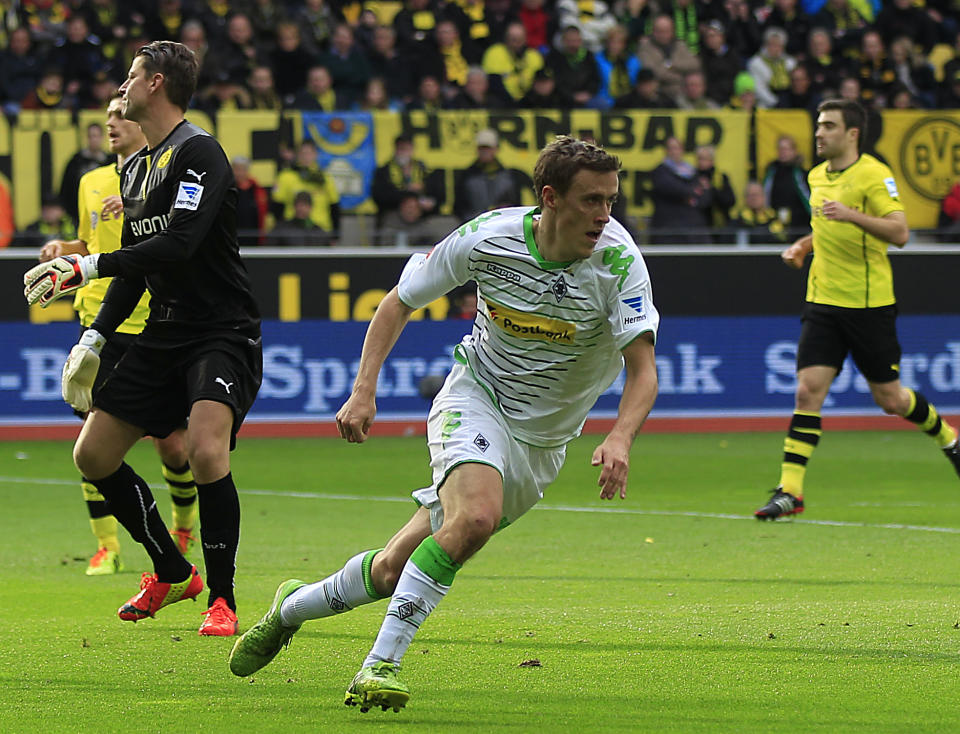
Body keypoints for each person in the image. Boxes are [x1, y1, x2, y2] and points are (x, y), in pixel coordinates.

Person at [228, 136, 660, 714]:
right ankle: (378, 667)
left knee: (391, 568)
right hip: (476, 395)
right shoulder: (488, 238)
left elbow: (643, 371)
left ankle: (290, 608)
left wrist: (620, 435)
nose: (604, 215)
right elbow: (398, 301)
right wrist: (363, 391)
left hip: (544, 444)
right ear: (551, 198)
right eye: (590, 201)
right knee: (474, 517)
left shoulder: (619, 262)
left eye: (611, 200)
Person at [22, 40, 263, 635]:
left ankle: (224, 600)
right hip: (165, 329)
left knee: (206, 450)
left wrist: (84, 267)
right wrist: (96, 338)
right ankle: (172, 571)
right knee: (92, 455)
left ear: (156, 84)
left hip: (221, 330)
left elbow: (177, 243)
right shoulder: (133, 167)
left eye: (130, 76)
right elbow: (137, 264)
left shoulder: (200, 154)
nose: (121, 88)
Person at [754, 99, 960, 521]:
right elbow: (822, 225)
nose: (818, 133)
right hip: (823, 301)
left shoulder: (874, 174)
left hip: (868, 304)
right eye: (818, 124)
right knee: (807, 391)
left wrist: (851, 214)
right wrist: (804, 245)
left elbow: (900, 232)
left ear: (852, 134)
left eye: (828, 125)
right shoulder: (815, 175)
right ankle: (789, 491)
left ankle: (949, 438)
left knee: (891, 399)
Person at [37, 97, 199, 575]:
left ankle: (183, 528)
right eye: (106, 117)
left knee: (172, 445)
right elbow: (94, 245)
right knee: (90, 439)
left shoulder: (166, 171)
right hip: (99, 322)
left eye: (118, 116)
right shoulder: (90, 182)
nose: (110, 124)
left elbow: (181, 234)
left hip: (153, 322)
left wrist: (133, 203)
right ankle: (107, 545)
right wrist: (65, 250)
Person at [272, 138, 341, 242]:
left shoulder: (325, 178)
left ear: (315, 155)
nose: (306, 157)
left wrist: (335, 236)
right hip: (292, 233)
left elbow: (334, 207)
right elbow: (277, 207)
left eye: (309, 153)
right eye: (302, 153)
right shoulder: (286, 176)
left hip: (321, 232)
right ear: (298, 155)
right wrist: (281, 232)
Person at [453, 128, 522, 221]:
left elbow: (516, 206)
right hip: (473, 226)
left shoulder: (509, 177)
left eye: (488, 148)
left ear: (496, 149)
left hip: (502, 225)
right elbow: (458, 208)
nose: (484, 152)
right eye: (481, 148)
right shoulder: (466, 176)